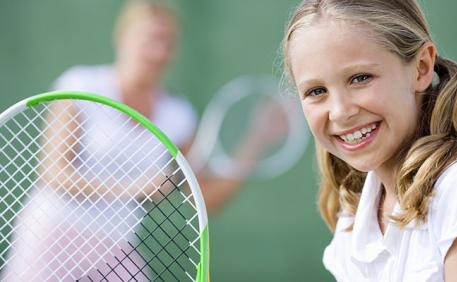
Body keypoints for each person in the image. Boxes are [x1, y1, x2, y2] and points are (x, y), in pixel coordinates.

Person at [2, 0, 282, 280]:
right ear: (122, 37)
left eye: (168, 42)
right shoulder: (80, 86)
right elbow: (54, 173)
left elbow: (206, 197)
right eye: (150, 39)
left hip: (115, 246)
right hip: (52, 231)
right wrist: (134, 187)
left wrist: (257, 138)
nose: (159, 52)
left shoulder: (177, 115)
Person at [282, 0, 457, 281]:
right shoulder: (352, 218)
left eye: (360, 78)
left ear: (421, 68)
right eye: (316, 91)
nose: (340, 112)